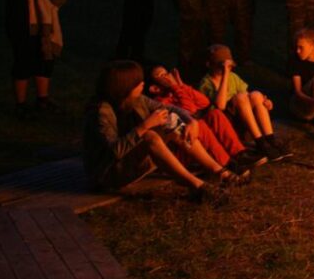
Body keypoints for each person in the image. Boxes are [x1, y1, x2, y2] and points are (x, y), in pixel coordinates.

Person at [82, 60, 237, 201]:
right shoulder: (101, 112)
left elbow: (170, 108)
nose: (142, 84)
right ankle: (199, 187)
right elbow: (113, 151)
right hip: (107, 174)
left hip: (130, 163)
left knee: (170, 121)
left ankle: (220, 172)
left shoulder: (137, 99)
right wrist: (144, 127)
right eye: (137, 82)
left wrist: (191, 121)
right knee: (150, 136)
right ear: (125, 87)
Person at [146, 63, 266, 170]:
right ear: (154, 88)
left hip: (194, 141)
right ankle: (228, 164)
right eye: (160, 76)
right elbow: (190, 111)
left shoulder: (177, 91)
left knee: (215, 114)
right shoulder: (161, 102)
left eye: (166, 73)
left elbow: (204, 102)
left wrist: (182, 86)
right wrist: (176, 87)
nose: (166, 78)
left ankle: (239, 154)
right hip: (183, 151)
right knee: (200, 125)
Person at [196, 45, 291, 161]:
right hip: (225, 122)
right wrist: (225, 75)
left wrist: (264, 102)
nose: (226, 69)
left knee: (256, 94)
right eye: (221, 66)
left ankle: (270, 139)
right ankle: (260, 142)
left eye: (228, 66)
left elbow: (248, 97)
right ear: (209, 65)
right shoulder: (206, 83)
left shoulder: (233, 77)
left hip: (241, 118)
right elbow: (220, 106)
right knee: (240, 97)